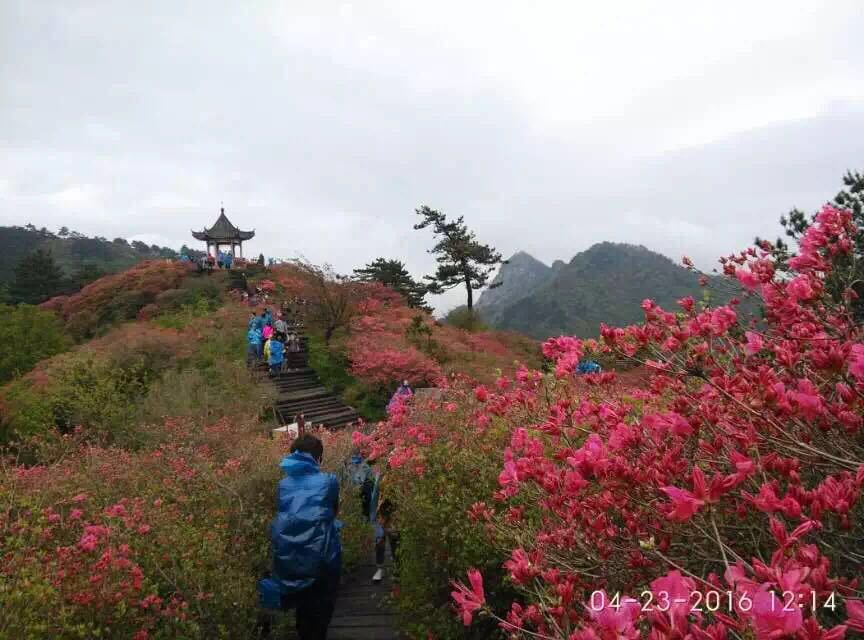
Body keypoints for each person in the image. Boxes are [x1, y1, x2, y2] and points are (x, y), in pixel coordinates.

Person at [258, 434, 341, 640]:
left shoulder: (283, 485)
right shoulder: (329, 481)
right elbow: (333, 512)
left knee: (303, 613)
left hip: (290, 558)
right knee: (321, 613)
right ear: (318, 458)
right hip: (323, 557)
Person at [369, 463, 399, 584]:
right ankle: (380, 569)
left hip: (395, 515)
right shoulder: (382, 477)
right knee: (380, 541)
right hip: (382, 514)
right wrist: (373, 515)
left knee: (393, 541)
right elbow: (375, 495)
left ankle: (396, 569)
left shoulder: (401, 479)